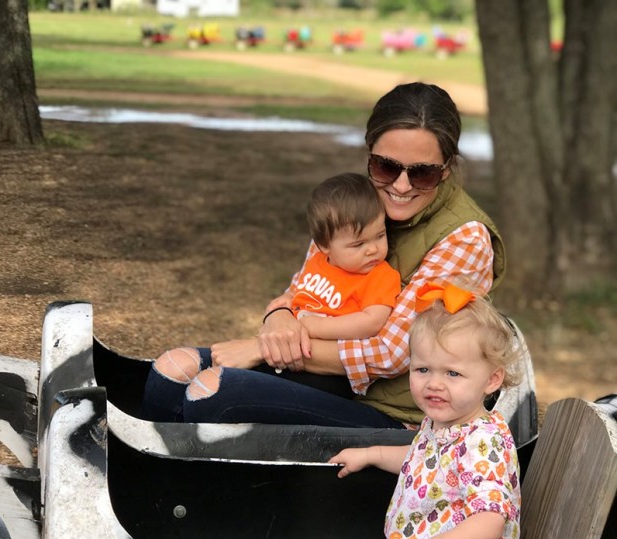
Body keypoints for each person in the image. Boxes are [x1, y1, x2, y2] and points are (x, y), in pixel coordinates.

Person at [142, 82, 506, 428]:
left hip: (393, 413)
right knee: (171, 374)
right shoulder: (352, 205)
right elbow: (305, 288)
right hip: (329, 378)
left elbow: (393, 353)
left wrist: (262, 349)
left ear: (447, 169)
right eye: (386, 166)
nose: (400, 185)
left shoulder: (465, 238)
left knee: (213, 395)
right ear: (369, 156)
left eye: (422, 173)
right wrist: (279, 315)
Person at [324, 286, 521, 539]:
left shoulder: (484, 443)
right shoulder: (446, 422)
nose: (434, 384)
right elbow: (425, 461)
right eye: (423, 369)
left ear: (492, 379)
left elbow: (490, 519)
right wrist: (373, 454)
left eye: (453, 374)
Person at [266, 172, 401, 343]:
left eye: (380, 235)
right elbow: (300, 291)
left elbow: (372, 322)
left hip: (318, 355)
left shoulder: (381, 277)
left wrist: (316, 327)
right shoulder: (317, 260)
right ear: (324, 246)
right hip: (287, 340)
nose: (373, 249)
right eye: (358, 244)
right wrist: (288, 298)